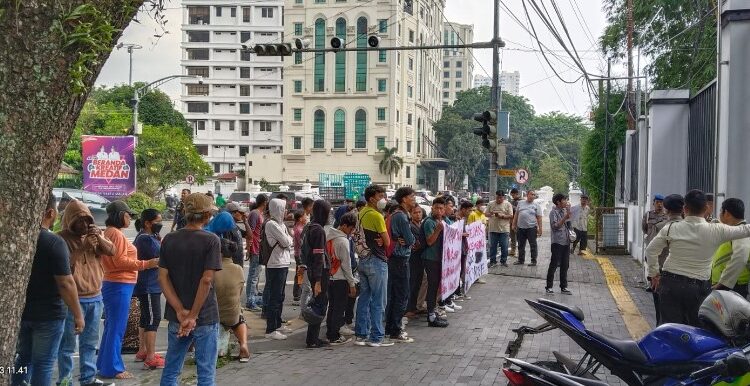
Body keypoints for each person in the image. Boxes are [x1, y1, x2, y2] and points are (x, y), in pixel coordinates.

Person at [646, 190, 750, 326]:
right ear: (706, 208)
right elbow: (745, 229)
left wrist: (654, 274)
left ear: (685, 209)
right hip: (698, 289)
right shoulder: (717, 230)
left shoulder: (671, 228)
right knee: (696, 329)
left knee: (670, 329)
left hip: (670, 284)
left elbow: (651, 250)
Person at [14, 192, 84, 386]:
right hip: (48, 315)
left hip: (20, 313)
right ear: (50, 213)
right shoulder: (53, 242)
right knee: (43, 364)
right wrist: (78, 314)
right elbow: (65, 283)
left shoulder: (15, 238)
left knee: (22, 359)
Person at [159, 193, 222, 386]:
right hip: (204, 315)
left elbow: (162, 278)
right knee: (205, 373)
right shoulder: (211, 240)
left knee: (171, 369)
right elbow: (206, 281)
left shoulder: (169, 239)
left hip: (177, 317)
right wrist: (192, 316)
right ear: (206, 215)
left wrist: (180, 311)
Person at [57, 199, 115, 386]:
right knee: (67, 346)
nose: (83, 225)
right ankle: (65, 380)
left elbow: (112, 251)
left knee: (90, 343)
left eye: (86, 220)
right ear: (70, 221)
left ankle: (88, 378)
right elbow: (63, 266)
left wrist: (100, 237)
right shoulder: (61, 239)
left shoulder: (93, 235)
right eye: (79, 221)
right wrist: (82, 248)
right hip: (73, 300)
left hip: (96, 297)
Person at [99, 201, 159, 380]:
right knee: (116, 328)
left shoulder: (111, 233)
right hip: (119, 284)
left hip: (116, 284)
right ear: (119, 215)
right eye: (127, 215)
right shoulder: (115, 234)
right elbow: (120, 261)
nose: (130, 218)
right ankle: (113, 368)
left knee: (112, 327)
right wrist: (147, 264)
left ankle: (105, 363)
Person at [354, 185, 394, 347]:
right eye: (380, 196)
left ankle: (361, 334)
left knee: (364, 298)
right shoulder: (377, 216)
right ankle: (377, 337)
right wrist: (382, 239)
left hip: (363, 260)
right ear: (372, 198)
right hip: (377, 261)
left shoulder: (361, 212)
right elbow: (387, 242)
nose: (383, 199)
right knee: (379, 301)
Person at [209, 222, 251, 363]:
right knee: (240, 317)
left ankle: (191, 347)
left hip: (213, 315)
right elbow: (239, 293)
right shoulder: (238, 269)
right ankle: (244, 344)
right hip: (232, 315)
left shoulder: (211, 270)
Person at [133, 209, 165, 370]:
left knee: (146, 318)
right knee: (154, 318)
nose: (160, 224)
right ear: (147, 223)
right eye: (157, 221)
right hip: (148, 285)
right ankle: (150, 356)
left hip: (150, 284)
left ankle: (143, 351)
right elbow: (160, 257)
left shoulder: (148, 237)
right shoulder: (145, 239)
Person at [384, 187, 417, 343]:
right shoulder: (401, 217)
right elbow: (411, 241)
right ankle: (396, 329)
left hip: (393, 259)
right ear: (404, 199)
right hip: (400, 259)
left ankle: (390, 328)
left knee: (394, 295)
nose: (414, 199)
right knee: (402, 295)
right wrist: (406, 240)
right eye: (412, 197)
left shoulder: (395, 213)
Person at [302, 200, 333, 348]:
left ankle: (312, 338)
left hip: (312, 270)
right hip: (320, 273)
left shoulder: (309, 227)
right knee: (320, 304)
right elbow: (319, 256)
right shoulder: (318, 230)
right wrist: (319, 281)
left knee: (317, 302)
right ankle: (312, 339)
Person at [650, 194, 684, 324]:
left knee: (662, 312)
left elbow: (651, 250)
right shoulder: (693, 228)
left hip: (662, 274)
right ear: (683, 209)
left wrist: (653, 275)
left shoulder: (660, 227)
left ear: (666, 209)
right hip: (685, 278)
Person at [325, 212, 358, 345]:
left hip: (330, 277)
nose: (351, 232)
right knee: (339, 308)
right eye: (350, 229)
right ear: (344, 225)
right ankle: (334, 336)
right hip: (340, 278)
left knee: (332, 307)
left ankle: (330, 333)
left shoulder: (329, 236)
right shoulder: (343, 241)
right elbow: (346, 265)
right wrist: (351, 283)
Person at [264, 198, 294, 340]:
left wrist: (288, 242)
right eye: (283, 208)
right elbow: (286, 241)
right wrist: (288, 241)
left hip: (283, 262)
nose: (286, 211)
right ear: (277, 209)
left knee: (280, 296)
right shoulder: (271, 224)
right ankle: (271, 329)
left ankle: (278, 323)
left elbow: (290, 241)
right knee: (274, 297)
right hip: (275, 264)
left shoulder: (280, 225)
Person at [711, 198, 750, 298]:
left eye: (720, 211)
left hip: (731, 287)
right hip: (727, 285)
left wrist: (722, 283)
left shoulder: (740, 234)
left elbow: (740, 258)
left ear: (726, 213)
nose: (719, 215)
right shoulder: (733, 231)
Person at [422, 197, 449, 328]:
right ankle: (431, 316)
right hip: (431, 258)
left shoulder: (443, 220)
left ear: (444, 210)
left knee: (437, 285)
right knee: (432, 286)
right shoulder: (429, 222)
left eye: (441, 208)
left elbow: (452, 230)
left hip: (440, 258)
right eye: (436, 208)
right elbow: (430, 241)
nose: (439, 210)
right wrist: (438, 230)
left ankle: (434, 311)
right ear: (432, 208)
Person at [245, 194, 268, 311]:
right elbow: (250, 233)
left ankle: (253, 298)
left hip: (259, 248)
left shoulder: (259, 214)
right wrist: (248, 249)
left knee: (256, 275)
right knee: (253, 275)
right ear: (264, 202)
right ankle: (250, 301)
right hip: (255, 248)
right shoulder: (255, 214)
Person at [546, 194, 572, 295]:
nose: (566, 201)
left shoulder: (565, 211)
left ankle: (563, 287)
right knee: (554, 264)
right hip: (557, 242)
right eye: (564, 200)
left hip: (566, 241)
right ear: (558, 202)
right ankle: (549, 287)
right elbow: (555, 226)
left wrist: (569, 215)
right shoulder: (553, 212)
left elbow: (569, 224)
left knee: (565, 265)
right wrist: (565, 217)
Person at [405, 206, 427, 319]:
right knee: (413, 284)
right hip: (413, 259)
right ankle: (409, 309)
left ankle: (415, 307)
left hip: (420, 258)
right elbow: (417, 243)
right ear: (411, 214)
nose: (418, 214)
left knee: (419, 283)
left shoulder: (421, 225)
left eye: (419, 212)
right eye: (415, 213)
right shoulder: (411, 227)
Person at [512, 190, 543, 266]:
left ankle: (533, 261)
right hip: (521, 228)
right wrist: (514, 224)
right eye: (531, 194)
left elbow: (539, 218)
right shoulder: (521, 203)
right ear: (527, 195)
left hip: (531, 228)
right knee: (520, 245)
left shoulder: (536, 205)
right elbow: (516, 214)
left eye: (534, 195)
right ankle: (521, 260)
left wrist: (540, 229)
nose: (533, 196)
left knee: (533, 245)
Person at [486, 191, 514, 267]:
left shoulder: (507, 204)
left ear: (503, 197)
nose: (499, 199)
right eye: (497, 197)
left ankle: (503, 261)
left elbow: (511, 215)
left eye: (500, 198)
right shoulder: (491, 203)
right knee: (492, 247)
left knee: (504, 246)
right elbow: (486, 214)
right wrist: (491, 213)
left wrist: (502, 216)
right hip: (493, 229)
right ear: (496, 196)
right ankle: (492, 261)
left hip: (504, 229)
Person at [220, 203, 247, 267]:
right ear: (233, 213)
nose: (242, 214)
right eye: (240, 212)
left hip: (238, 262)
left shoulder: (235, 226)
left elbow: (249, 236)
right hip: (233, 264)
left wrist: (245, 222)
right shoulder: (227, 228)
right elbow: (227, 248)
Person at [292, 210, 307, 304]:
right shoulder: (299, 230)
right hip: (300, 255)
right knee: (300, 275)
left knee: (299, 274)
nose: (306, 218)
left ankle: (297, 295)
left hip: (298, 254)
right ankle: (297, 295)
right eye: (305, 216)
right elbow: (302, 243)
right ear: (300, 218)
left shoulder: (299, 228)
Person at [509, 189, 522, 256]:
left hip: (518, 222)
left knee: (519, 238)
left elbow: (520, 210)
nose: (512, 196)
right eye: (512, 195)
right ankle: (513, 250)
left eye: (513, 195)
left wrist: (512, 207)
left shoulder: (521, 201)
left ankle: (519, 252)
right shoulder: (512, 201)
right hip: (511, 221)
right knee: (512, 237)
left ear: (517, 194)